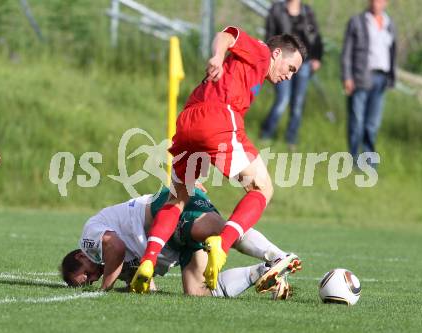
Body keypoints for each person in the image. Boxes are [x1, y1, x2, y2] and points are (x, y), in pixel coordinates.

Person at [133, 26, 306, 293]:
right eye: (291, 68)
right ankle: (222, 245)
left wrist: (219, 60)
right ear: (278, 53)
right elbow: (229, 33)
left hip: (188, 121)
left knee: (178, 198)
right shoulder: (262, 52)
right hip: (219, 117)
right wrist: (216, 55)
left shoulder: (253, 69)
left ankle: (147, 261)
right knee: (263, 188)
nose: (289, 76)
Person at [60, 188, 301, 298]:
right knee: (200, 293)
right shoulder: (113, 267)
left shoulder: (89, 241)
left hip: (163, 210)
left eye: (86, 275)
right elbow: (148, 282)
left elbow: (116, 247)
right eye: (90, 282)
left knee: (221, 230)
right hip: (173, 245)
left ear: (81, 257)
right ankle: (263, 271)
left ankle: (277, 255)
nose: (93, 278)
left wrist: (105, 290)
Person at [260, 0, 323, 150]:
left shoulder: (307, 11)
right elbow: (270, 34)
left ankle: (291, 139)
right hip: (283, 61)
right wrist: (270, 57)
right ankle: (266, 133)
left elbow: (316, 37)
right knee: (283, 99)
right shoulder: (277, 9)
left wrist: (317, 57)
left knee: (298, 103)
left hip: (304, 64)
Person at [341, 0, 396, 165]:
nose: (376, 3)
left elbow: (393, 51)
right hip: (360, 77)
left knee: (372, 124)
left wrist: (391, 76)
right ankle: (353, 158)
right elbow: (347, 52)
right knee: (356, 121)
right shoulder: (357, 21)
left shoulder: (389, 24)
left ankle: (368, 161)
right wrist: (347, 76)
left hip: (381, 78)